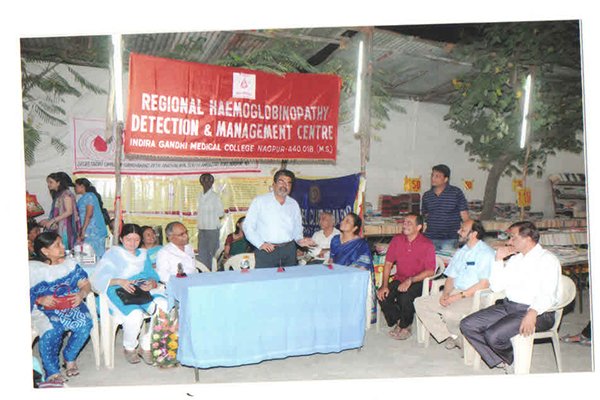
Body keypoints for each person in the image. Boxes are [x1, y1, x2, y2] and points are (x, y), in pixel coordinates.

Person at [460, 221, 561, 372]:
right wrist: (498, 260)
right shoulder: (515, 259)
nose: (509, 242)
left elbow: (548, 294)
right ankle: (504, 360)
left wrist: (532, 312)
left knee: (493, 336)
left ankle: (512, 360)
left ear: (527, 238)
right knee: (468, 324)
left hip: (538, 312)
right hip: (510, 306)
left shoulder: (547, 260)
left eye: (513, 237)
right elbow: (496, 287)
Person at [90, 223, 167, 365]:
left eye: (136, 239)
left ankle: (146, 345)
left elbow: (151, 274)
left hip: (141, 289)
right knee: (135, 315)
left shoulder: (143, 254)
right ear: (121, 239)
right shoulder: (113, 254)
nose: (133, 243)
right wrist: (120, 281)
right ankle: (129, 347)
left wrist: (152, 283)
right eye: (128, 239)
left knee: (164, 306)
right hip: (117, 289)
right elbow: (98, 278)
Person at [414, 219, 494, 349]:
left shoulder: (486, 253)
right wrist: (445, 294)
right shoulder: (461, 251)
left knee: (449, 313)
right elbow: (451, 277)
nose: (458, 232)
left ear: (474, 234)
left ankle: (461, 340)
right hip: (456, 292)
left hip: (475, 296)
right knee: (420, 303)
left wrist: (456, 297)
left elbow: (484, 284)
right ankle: (450, 336)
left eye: (463, 230)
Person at [29, 232, 93, 386]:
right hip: (44, 308)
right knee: (52, 330)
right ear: (45, 251)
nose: (63, 247)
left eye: (61, 243)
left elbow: (85, 284)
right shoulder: (32, 269)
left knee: (85, 323)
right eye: (57, 245)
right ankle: (52, 372)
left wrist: (81, 294)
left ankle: (69, 357)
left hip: (69, 303)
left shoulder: (70, 264)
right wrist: (39, 299)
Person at [376, 213, 436, 340]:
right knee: (383, 295)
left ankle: (405, 326)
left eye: (409, 223)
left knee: (405, 297)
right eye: (404, 222)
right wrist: (384, 285)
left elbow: (430, 271)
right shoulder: (397, 240)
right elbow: (388, 263)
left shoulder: (427, 244)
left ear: (419, 227)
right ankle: (400, 321)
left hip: (419, 281)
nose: (405, 225)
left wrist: (411, 280)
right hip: (400, 278)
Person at [243, 169, 315, 268]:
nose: (285, 186)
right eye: (281, 182)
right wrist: (260, 244)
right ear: (274, 184)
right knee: (266, 278)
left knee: (289, 277)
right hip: (267, 251)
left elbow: (297, 228)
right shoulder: (260, 201)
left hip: (289, 250)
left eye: (288, 183)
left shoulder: (293, 204)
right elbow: (248, 227)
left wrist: (300, 240)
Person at [421, 164, 469, 252]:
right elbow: (425, 215)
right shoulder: (427, 195)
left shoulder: (456, 193)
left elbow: (464, 216)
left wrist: (466, 234)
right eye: (432, 175)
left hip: (450, 239)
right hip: (430, 238)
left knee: (448, 260)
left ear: (446, 179)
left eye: (437, 176)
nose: (433, 178)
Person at [39, 172, 81, 251]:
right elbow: (59, 213)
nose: (48, 184)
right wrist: (48, 220)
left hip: (66, 227)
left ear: (58, 183)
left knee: (64, 248)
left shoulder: (66, 194)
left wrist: (52, 220)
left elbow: (69, 212)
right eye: (48, 182)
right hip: (60, 226)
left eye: (51, 182)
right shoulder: (59, 195)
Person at [74, 178, 108, 258]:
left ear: (82, 186)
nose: (75, 188)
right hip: (87, 228)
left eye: (76, 186)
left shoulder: (90, 196)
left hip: (94, 229)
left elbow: (89, 214)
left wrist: (83, 230)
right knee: (88, 254)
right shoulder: (82, 198)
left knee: (96, 254)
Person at [196, 173, 224, 269]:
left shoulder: (215, 196)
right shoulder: (199, 195)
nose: (206, 182)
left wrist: (211, 216)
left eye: (209, 180)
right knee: (202, 253)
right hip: (201, 229)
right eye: (204, 180)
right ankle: (204, 272)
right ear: (201, 182)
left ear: (212, 182)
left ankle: (213, 273)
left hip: (212, 229)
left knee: (213, 254)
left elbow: (221, 213)